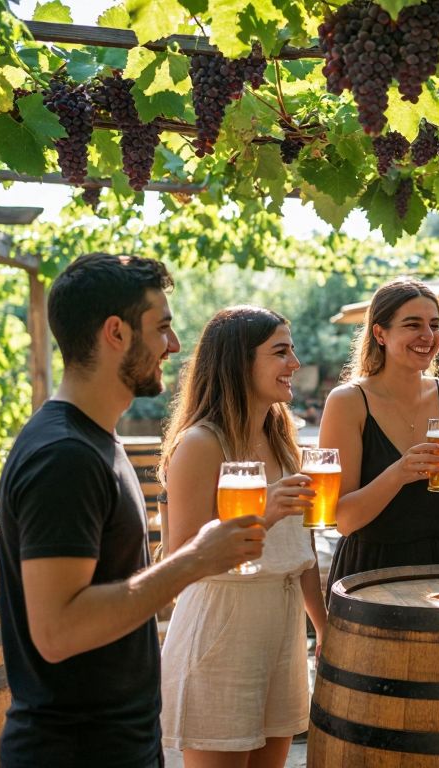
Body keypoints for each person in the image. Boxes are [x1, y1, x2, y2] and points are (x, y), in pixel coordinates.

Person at [0, 253, 263, 768]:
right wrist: (194, 560)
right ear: (115, 333)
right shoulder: (64, 457)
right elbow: (57, 632)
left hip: (117, 744)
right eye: (161, 327)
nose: (176, 345)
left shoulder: (95, 442)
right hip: (75, 752)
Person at [158, 306, 328, 767]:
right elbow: (181, 561)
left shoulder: (280, 438)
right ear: (238, 362)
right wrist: (263, 514)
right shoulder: (200, 443)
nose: (294, 363)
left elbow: (304, 552)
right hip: (223, 631)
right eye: (280, 351)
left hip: (283, 630)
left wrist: (325, 629)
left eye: (291, 350)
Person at [318, 278, 439, 591]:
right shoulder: (348, 402)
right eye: (412, 324)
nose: (428, 335)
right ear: (380, 333)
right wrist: (399, 472)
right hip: (369, 573)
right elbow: (343, 520)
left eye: (434, 324)